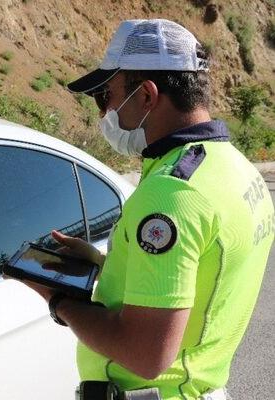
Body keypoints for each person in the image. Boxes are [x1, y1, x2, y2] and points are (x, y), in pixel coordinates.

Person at [17, 19, 273, 399]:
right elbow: (196, 282)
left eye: (106, 96)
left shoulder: (171, 195)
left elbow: (146, 354)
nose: (103, 112)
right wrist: (102, 265)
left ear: (147, 96)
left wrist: (58, 299)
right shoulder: (234, 168)